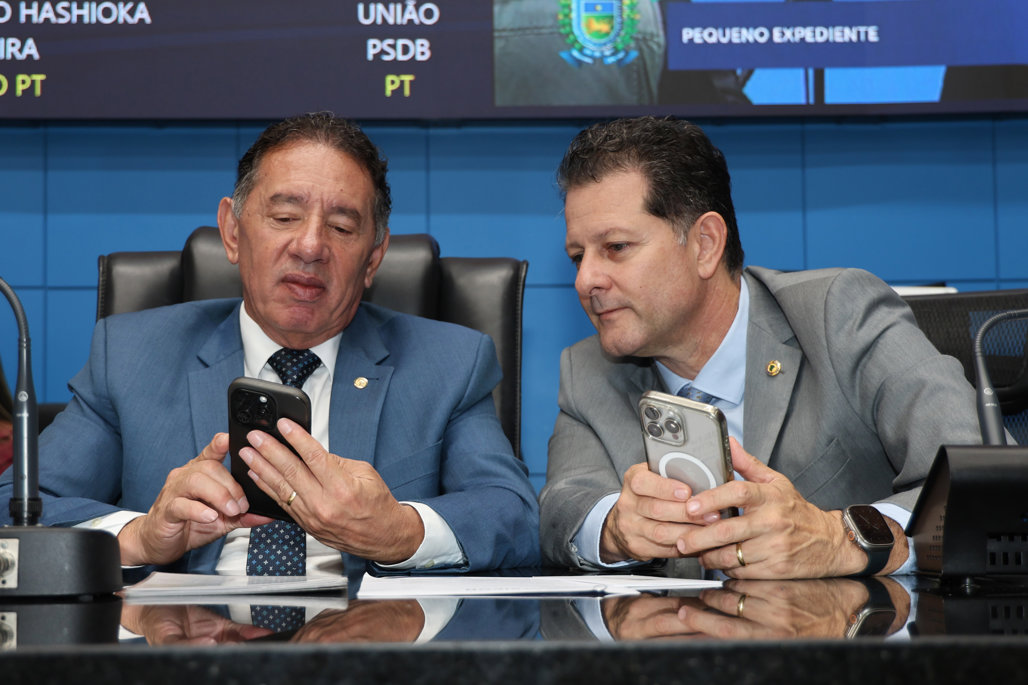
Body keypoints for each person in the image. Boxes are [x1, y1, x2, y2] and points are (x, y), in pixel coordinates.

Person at [0, 112, 539, 575]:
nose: (310, 246)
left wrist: (399, 531)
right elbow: (15, 507)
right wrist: (140, 536)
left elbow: (515, 517)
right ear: (232, 232)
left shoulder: (449, 364)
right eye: (284, 217)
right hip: (186, 641)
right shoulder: (130, 356)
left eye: (342, 227)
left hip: (366, 637)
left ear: (374, 258)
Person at [539, 115, 983, 579]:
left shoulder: (838, 316)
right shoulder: (588, 369)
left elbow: (984, 480)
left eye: (615, 247)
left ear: (705, 245)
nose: (585, 280)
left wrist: (845, 539)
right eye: (578, 257)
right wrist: (615, 527)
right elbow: (561, 510)